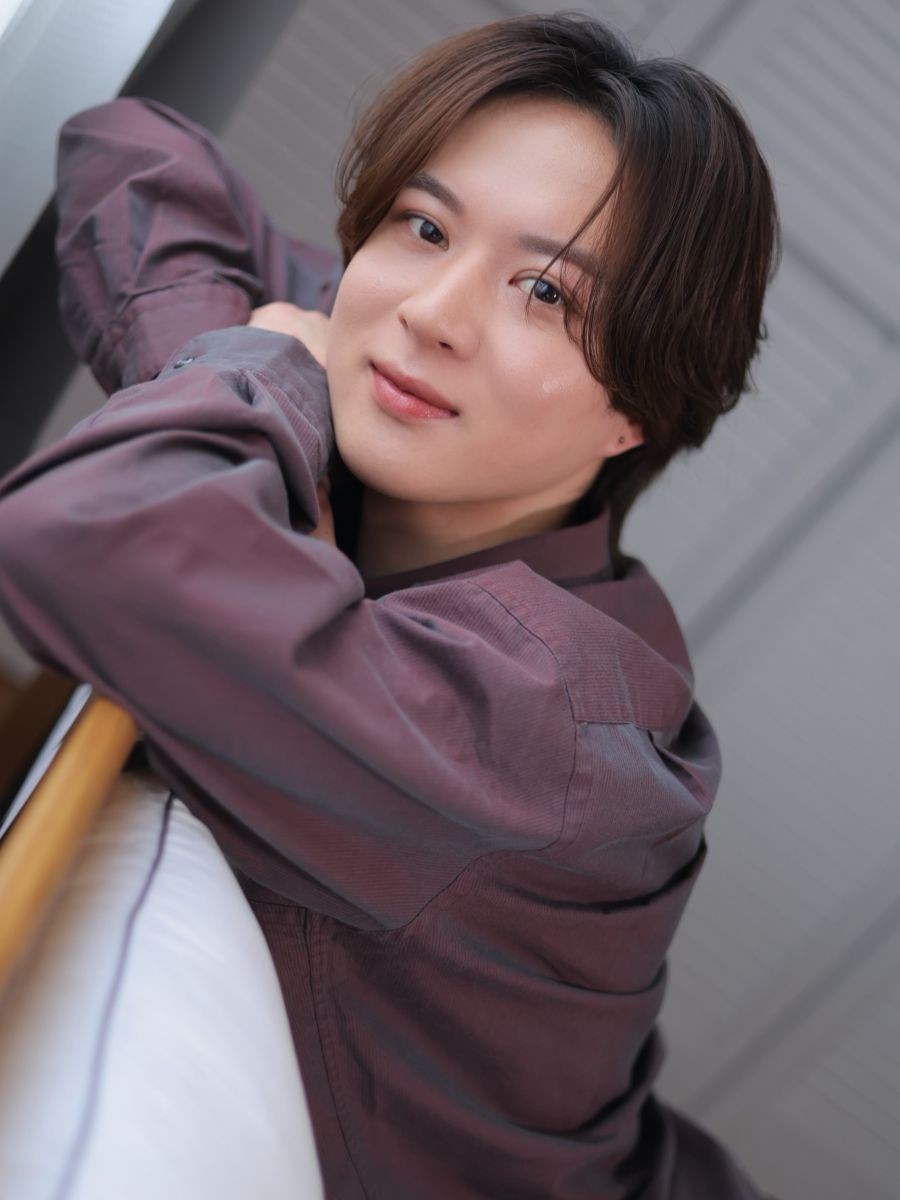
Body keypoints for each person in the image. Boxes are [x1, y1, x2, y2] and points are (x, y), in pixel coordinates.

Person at [0, 13, 780, 1199]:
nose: (433, 314)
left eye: (545, 292)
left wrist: (265, 371)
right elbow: (131, 144)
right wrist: (277, 385)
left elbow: (86, 541)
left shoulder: (543, 731)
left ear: (639, 409)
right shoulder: (410, 391)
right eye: (424, 225)